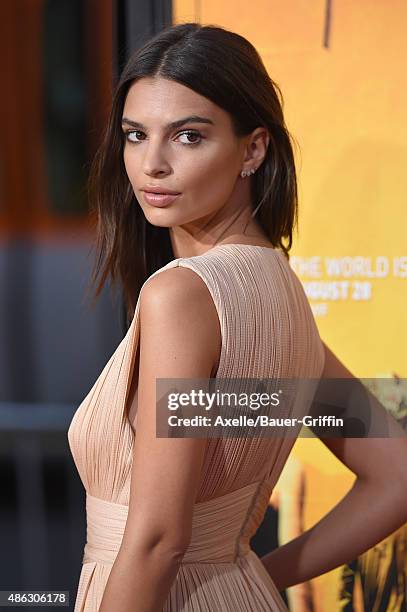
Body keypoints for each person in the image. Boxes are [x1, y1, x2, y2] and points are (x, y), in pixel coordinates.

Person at [67, 22, 407, 612]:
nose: (152, 164)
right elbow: (397, 476)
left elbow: (156, 541)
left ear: (253, 149)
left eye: (189, 137)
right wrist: (249, 576)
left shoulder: (182, 297)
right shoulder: (284, 297)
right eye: (134, 134)